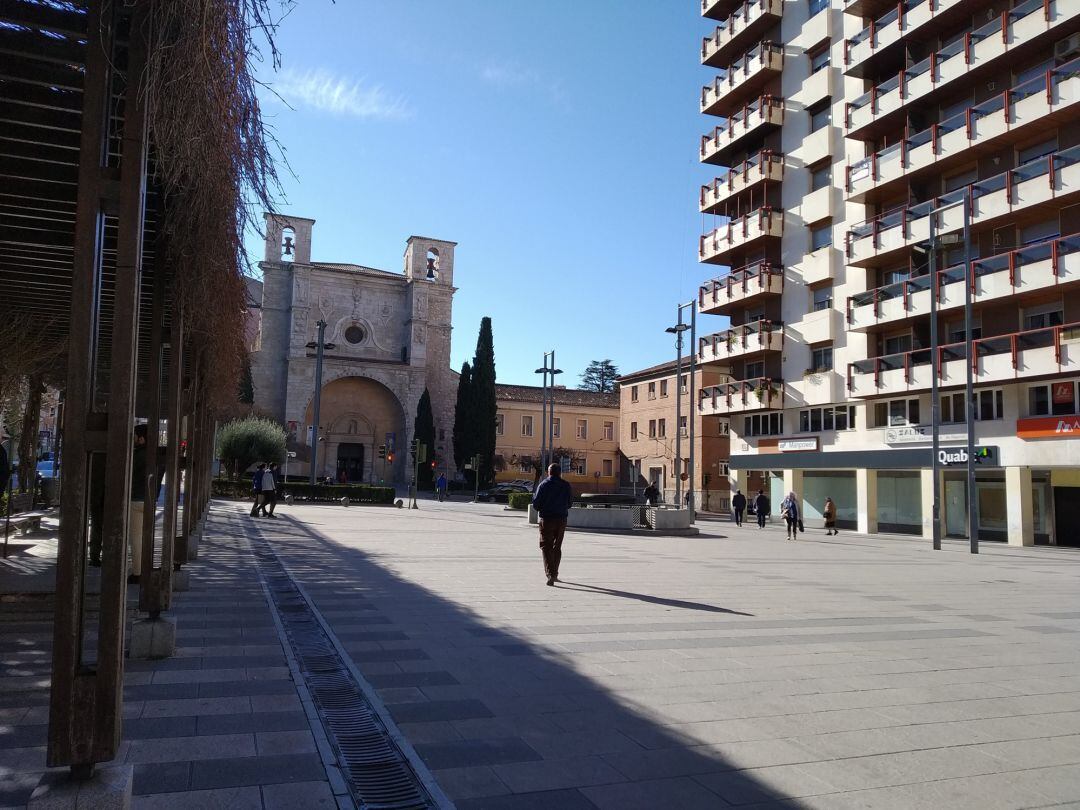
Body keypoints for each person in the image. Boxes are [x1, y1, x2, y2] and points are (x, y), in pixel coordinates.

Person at [532, 463, 573, 587]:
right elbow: (570, 503)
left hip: (547, 519)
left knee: (546, 546)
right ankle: (555, 573)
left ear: (549, 472)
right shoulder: (566, 485)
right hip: (561, 520)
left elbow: (536, 504)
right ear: (560, 473)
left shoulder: (543, 485)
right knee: (557, 546)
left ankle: (551, 574)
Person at [129, 424, 149, 584]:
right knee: (145, 537)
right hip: (150, 500)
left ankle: (138, 572)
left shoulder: (136, 456)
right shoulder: (154, 455)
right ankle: (145, 568)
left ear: (142, 438)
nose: (133, 439)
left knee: (136, 538)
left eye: (135, 436)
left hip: (136, 499)